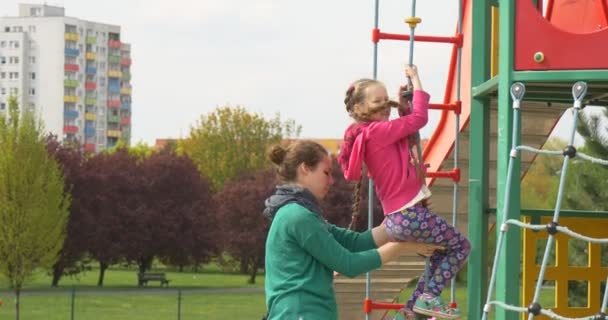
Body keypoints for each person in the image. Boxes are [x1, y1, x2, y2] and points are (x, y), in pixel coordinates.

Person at [338, 65, 471, 320]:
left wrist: (402, 105)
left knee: (440, 253)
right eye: (377, 102)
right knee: (461, 246)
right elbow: (419, 120)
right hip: (408, 214)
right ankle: (429, 298)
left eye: (385, 99)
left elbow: (408, 133)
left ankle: (410, 312)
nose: (384, 106)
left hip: (400, 217)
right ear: (360, 110)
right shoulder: (376, 132)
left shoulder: (377, 134)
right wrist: (417, 79)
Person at [263, 140, 444, 320]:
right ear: (305, 169)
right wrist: (401, 247)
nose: (331, 181)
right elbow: (348, 264)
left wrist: (398, 225)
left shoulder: (300, 213)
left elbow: (353, 242)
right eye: (326, 172)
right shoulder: (298, 216)